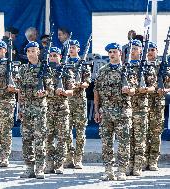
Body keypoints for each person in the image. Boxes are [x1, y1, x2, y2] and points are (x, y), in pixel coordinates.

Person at [94, 42, 132, 181]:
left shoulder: (127, 70)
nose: (112, 54)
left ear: (120, 53)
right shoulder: (103, 70)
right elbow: (96, 91)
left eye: (114, 52)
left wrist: (129, 90)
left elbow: (135, 89)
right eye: (110, 52)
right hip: (106, 112)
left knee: (123, 142)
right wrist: (97, 110)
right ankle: (108, 170)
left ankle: (121, 170)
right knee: (106, 143)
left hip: (122, 111)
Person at [18, 41, 51, 179]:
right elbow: (20, 90)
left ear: (38, 52)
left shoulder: (45, 68)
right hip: (26, 109)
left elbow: (50, 89)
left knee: (39, 138)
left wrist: (44, 92)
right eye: (29, 51)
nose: (31, 53)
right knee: (26, 139)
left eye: (33, 50)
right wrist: (19, 108)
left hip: (39, 108)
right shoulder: (23, 69)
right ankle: (29, 167)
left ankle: (39, 168)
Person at [127, 39, 156, 176]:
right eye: (131, 48)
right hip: (127, 107)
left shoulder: (147, 67)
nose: (133, 50)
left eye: (135, 48)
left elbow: (153, 87)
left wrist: (145, 89)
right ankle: (128, 164)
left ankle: (137, 165)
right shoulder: (125, 66)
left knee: (140, 138)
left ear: (140, 50)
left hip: (141, 108)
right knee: (127, 138)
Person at [45, 46, 75, 175]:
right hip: (47, 108)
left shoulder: (66, 71)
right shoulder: (44, 71)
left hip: (62, 109)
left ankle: (59, 164)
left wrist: (64, 92)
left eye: (55, 55)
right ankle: (49, 164)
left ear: (60, 57)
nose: (52, 58)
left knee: (62, 138)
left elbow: (71, 91)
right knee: (48, 138)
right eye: (51, 55)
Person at [65, 40, 91, 169]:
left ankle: (78, 158)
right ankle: (69, 158)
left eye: (73, 47)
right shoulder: (64, 63)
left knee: (81, 131)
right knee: (66, 130)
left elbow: (87, 83)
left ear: (78, 49)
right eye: (69, 47)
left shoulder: (83, 64)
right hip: (67, 101)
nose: (71, 49)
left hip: (80, 100)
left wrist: (79, 84)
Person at [145, 42, 168, 171]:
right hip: (143, 104)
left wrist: (164, 89)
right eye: (148, 50)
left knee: (155, 133)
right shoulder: (142, 66)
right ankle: (142, 160)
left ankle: (153, 161)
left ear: (157, 51)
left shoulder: (163, 67)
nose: (150, 52)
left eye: (153, 50)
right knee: (142, 133)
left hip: (158, 104)